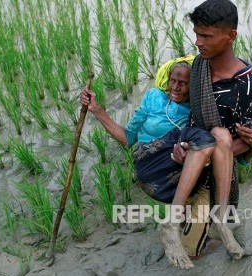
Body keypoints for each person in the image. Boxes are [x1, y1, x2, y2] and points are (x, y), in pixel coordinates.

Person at [80, 55, 217, 264]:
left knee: (195, 147)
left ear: (193, 87)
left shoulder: (194, 109)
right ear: (167, 79)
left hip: (176, 166)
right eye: (173, 80)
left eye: (183, 83)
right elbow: (128, 138)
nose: (176, 87)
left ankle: (190, 228)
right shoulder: (153, 97)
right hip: (149, 163)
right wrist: (96, 110)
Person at [164, 0, 252, 269]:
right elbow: (189, 118)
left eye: (206, 36)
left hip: (219, 168)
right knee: (190, 248)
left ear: (230, 36)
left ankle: (216, 224)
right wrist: (183, 145)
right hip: (190, 163)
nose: (198, 42)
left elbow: (247, 139)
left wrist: (207, 153)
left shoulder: (246, 85)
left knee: (207, 247)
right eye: (196, 34)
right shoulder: (198, 68)